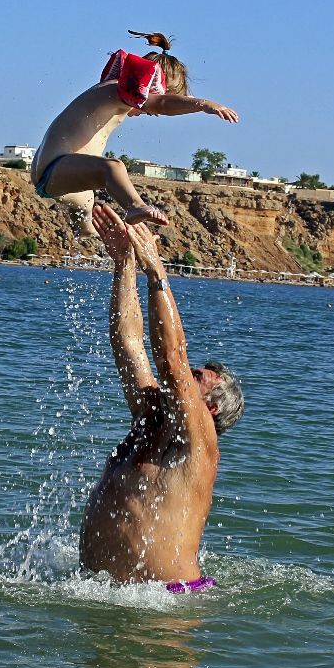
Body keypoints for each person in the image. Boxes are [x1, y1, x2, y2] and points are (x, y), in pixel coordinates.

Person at [80, 205, 244, 591]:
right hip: (107, 596)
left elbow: (172, 359)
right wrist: (124, 263)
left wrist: (157, 272)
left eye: (199, 378)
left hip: (169, 603)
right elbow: (128, 343)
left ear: (212, 406)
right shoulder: (152, 417)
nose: (188, 378)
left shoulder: (201, 441)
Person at [32, 31, 239, 236]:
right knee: (113, 168)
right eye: (148, 109)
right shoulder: (116, 89)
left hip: (57, 174)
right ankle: (134, 206)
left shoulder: (110, 96)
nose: (147, 113)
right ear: (150, 87)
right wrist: (204, 105)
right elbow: (162, 103)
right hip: (54, 168)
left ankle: (94, 232)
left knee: (88, 203)